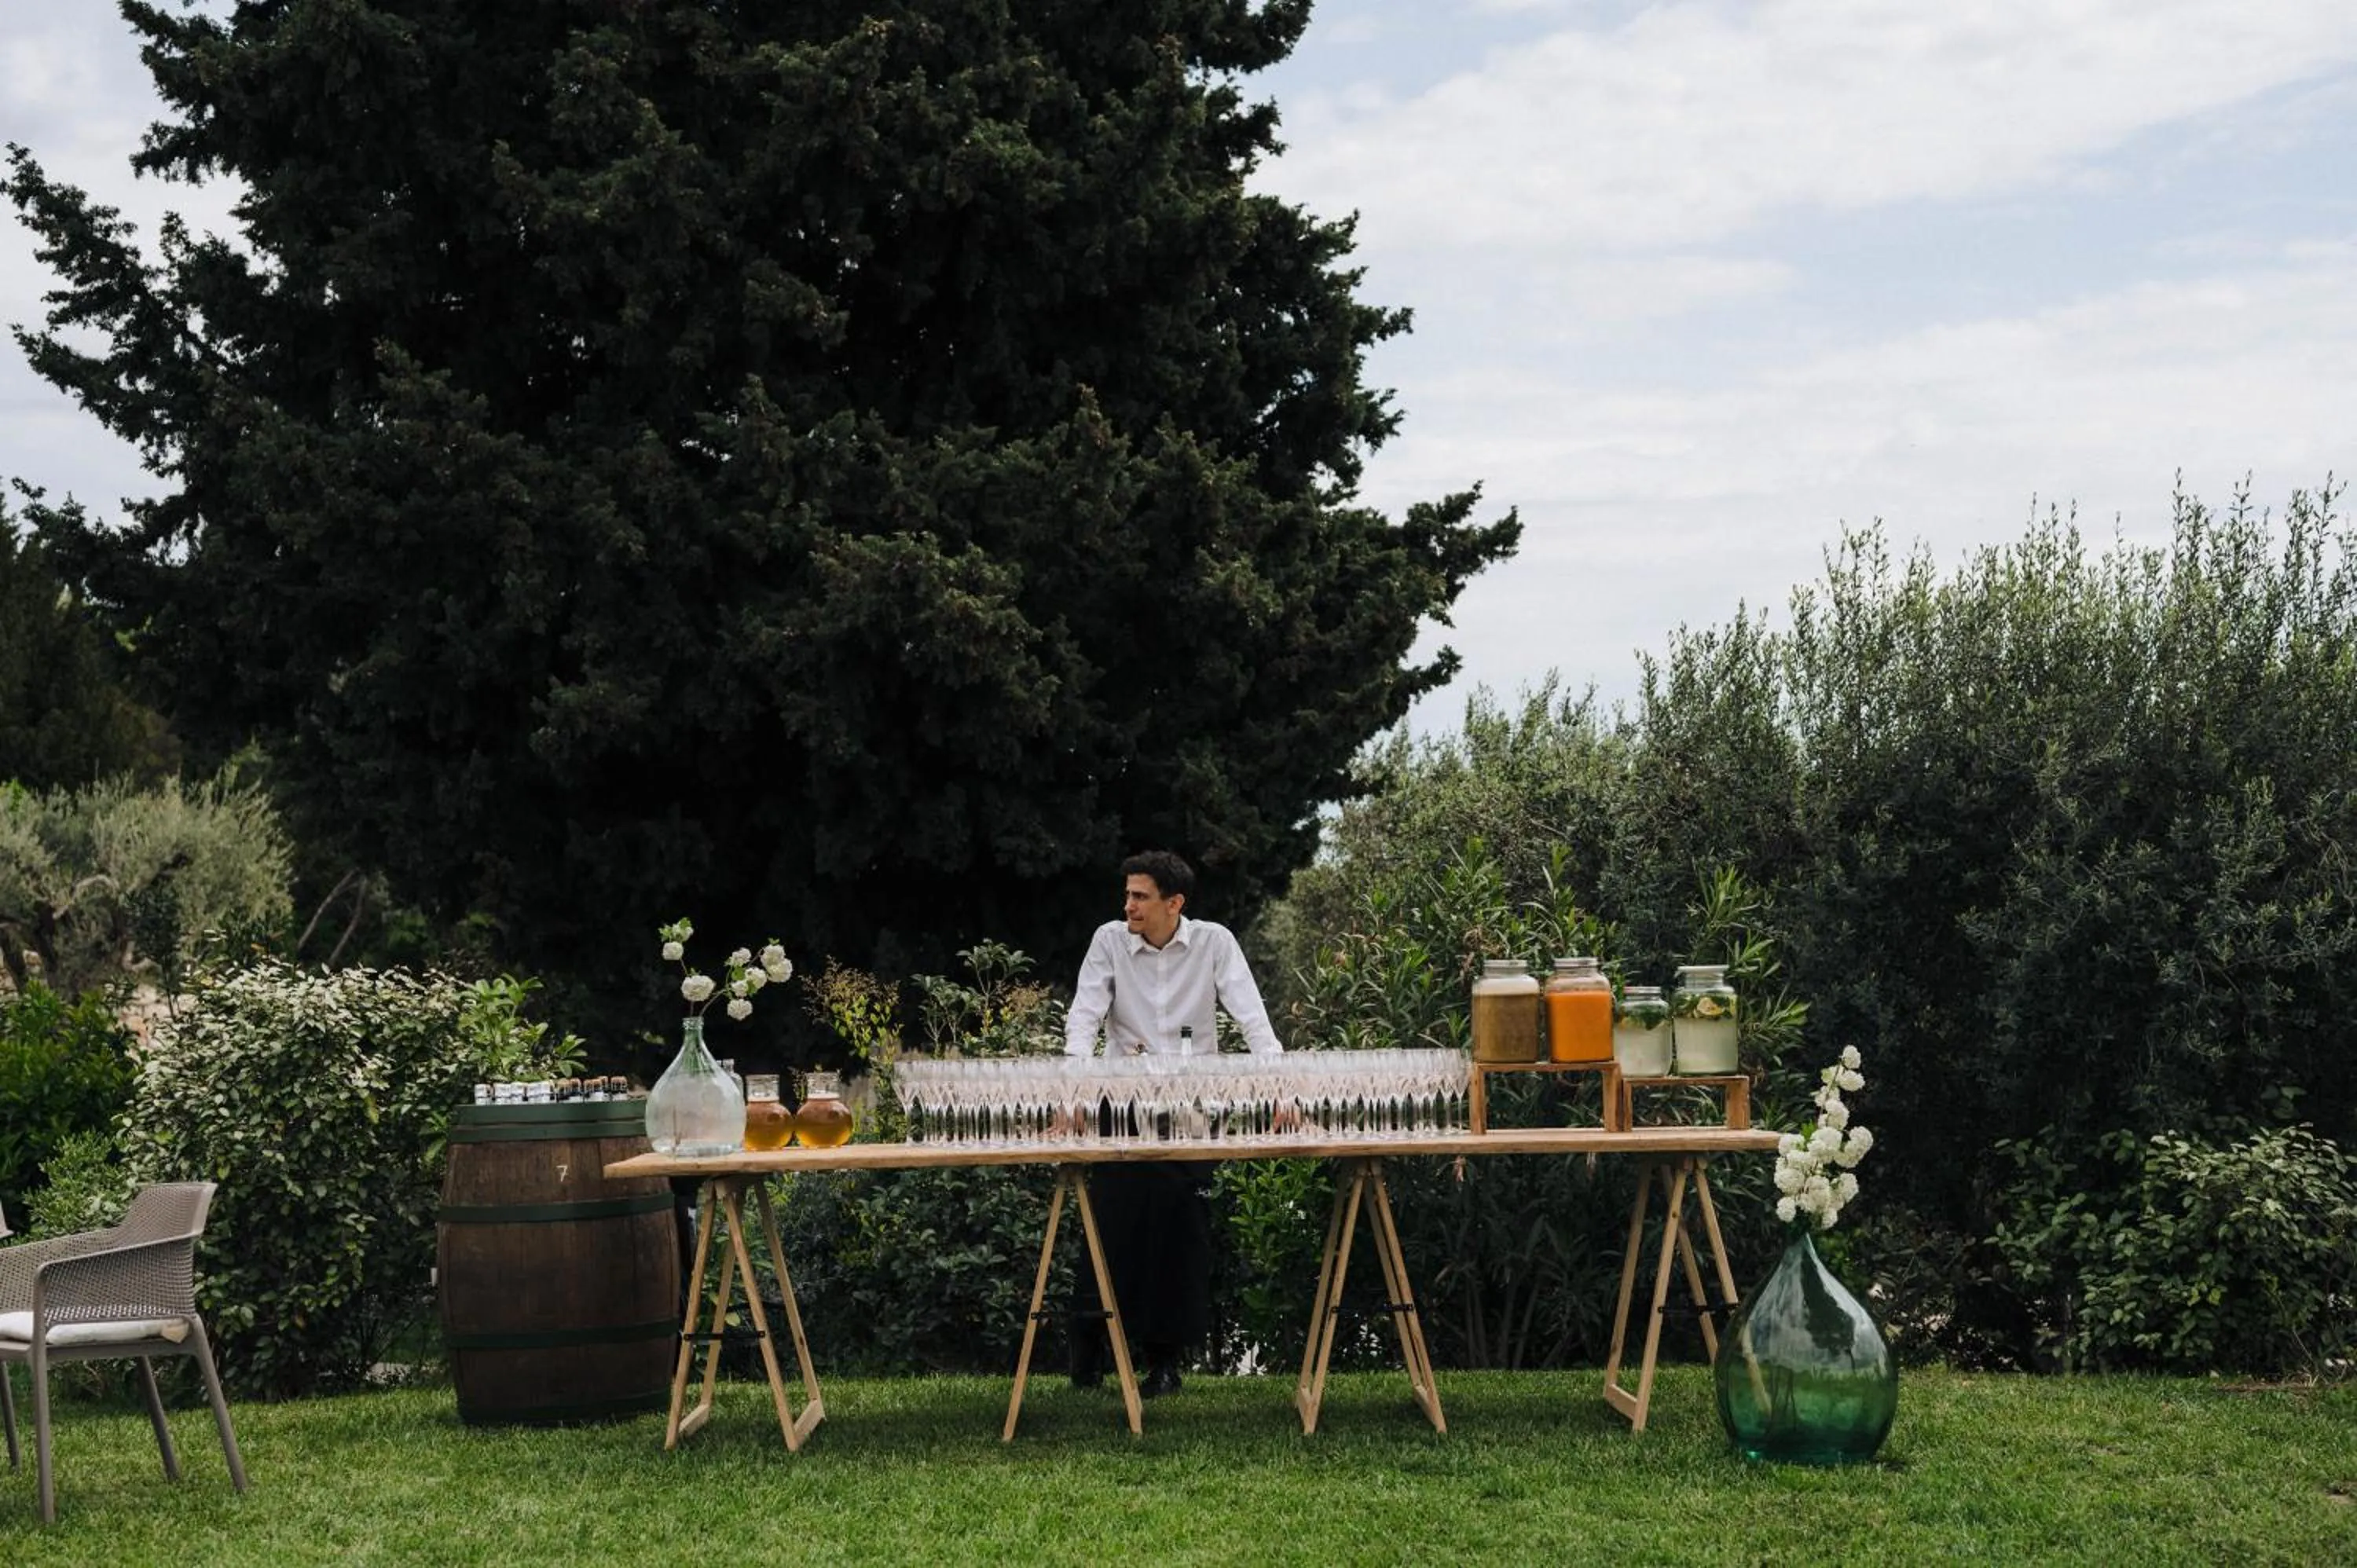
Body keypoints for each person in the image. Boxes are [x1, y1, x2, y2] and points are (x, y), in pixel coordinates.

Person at [1064, 849, 1283, 1396]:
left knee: (1182, 1232)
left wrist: (1280, 1083)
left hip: (1192, 1105)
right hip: (1121, 1103)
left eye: (1140, 896)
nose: (1128, 905)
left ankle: (1164, 1362)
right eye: (1128, 894)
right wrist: (1071, 1088)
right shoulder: (1109, 941)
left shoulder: (1214, 943)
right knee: (1111, 1226)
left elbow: (1252, 1018)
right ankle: (1088, 1348)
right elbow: (1084, 1017)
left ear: (1174, 903)